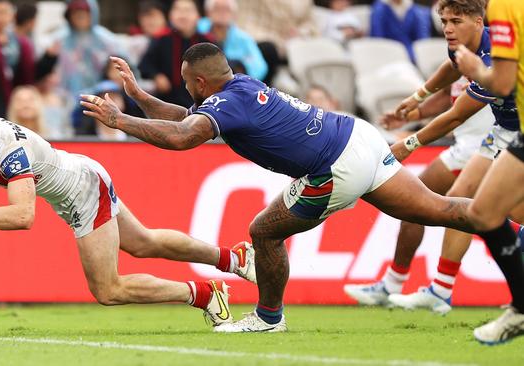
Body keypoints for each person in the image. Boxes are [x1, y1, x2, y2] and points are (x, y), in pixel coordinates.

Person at [81, 44, 482, 333]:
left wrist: (120, 122)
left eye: (188, 82)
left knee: (263, 232)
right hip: (359, 136)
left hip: (334, 166)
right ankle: (508, 228)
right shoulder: (239, 87)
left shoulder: (227, 103)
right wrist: (136, 98)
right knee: (436, 209)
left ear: (201, 81)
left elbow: (182, 138)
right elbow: (185, 119)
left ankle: (268, 318)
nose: (186, 88)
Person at [0, 88, 258, 328]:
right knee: (144, 243)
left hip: (83, 191)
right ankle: (233, 259)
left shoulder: (10, 152)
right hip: (80, 175)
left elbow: (23, 217)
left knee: (108, 290)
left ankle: (205, 294)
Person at [344, 0, 502, 314]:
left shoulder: (494, 53)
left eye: (455, 21)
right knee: (417, 200)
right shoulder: (461, 47)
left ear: (480, 20)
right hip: (477, 142)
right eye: (443, 21)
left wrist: (410, 143)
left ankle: (441, 288)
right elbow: (451, 74)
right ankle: (402, 283)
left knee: (474, 208)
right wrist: (416, 101)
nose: (447, 29)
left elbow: (456, 113)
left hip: (500, 139)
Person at [453, 0, 524, 345]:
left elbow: (504, 82)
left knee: (483, 212)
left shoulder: (507, 7)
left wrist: (473, 68)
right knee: (485, 211)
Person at [0, 0, 57, 116]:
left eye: (3, 12)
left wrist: (48, 59)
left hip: (16, 102)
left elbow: (30, 75)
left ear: (11, 15)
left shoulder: (19, 42)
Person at [138, 0, 213, 107]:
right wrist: (156, 76)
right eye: (178, 10)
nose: (182, 15)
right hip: (166, 102)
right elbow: (144, 65)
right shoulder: (161, 39)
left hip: (201, 102)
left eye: (187, 10)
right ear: (170, 15)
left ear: (198, 15)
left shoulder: (208, 41)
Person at [196, 0, 268, 81]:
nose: (222, 13)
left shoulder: (243, 38)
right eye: (217, 9)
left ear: (233, 14)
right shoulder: (197, 28)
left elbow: (260, 67)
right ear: (208, 12)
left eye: (226, 9)